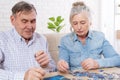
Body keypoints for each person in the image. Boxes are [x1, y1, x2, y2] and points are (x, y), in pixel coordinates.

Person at [57, 1, 120, 73]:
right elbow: (63, 61)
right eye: (75, 23)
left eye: (83, 23)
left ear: (90, 22)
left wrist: (97, 63)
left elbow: (117, 59)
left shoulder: (99, 37)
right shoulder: (65, 40)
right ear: (71, 24)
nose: (79, 27)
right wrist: (61, 64)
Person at [0, 1, 56, 80]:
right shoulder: (2, 39)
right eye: (24, 21)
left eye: (33, 21)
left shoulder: (42, 39)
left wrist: (46, 65)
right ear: (13, 20)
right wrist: (23, 76)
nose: (30, 26)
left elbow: (53, 68)